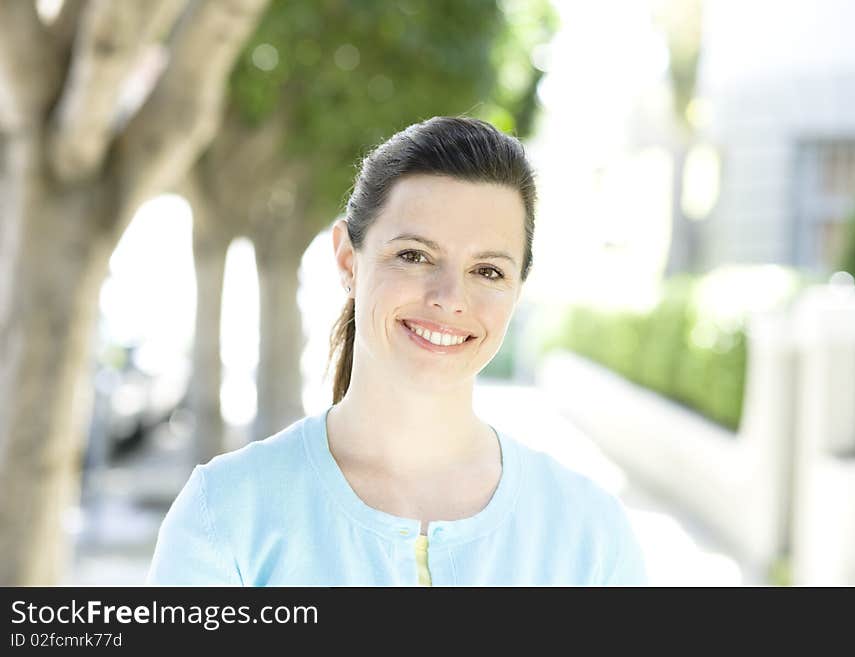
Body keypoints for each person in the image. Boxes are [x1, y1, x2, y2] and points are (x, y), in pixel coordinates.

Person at [146, 116, 649, 586]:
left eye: (488, 271)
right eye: (414, 255)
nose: (449, 298)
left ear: (518, 288)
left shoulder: (591, 536)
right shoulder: (225, 515)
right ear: (348, 260)